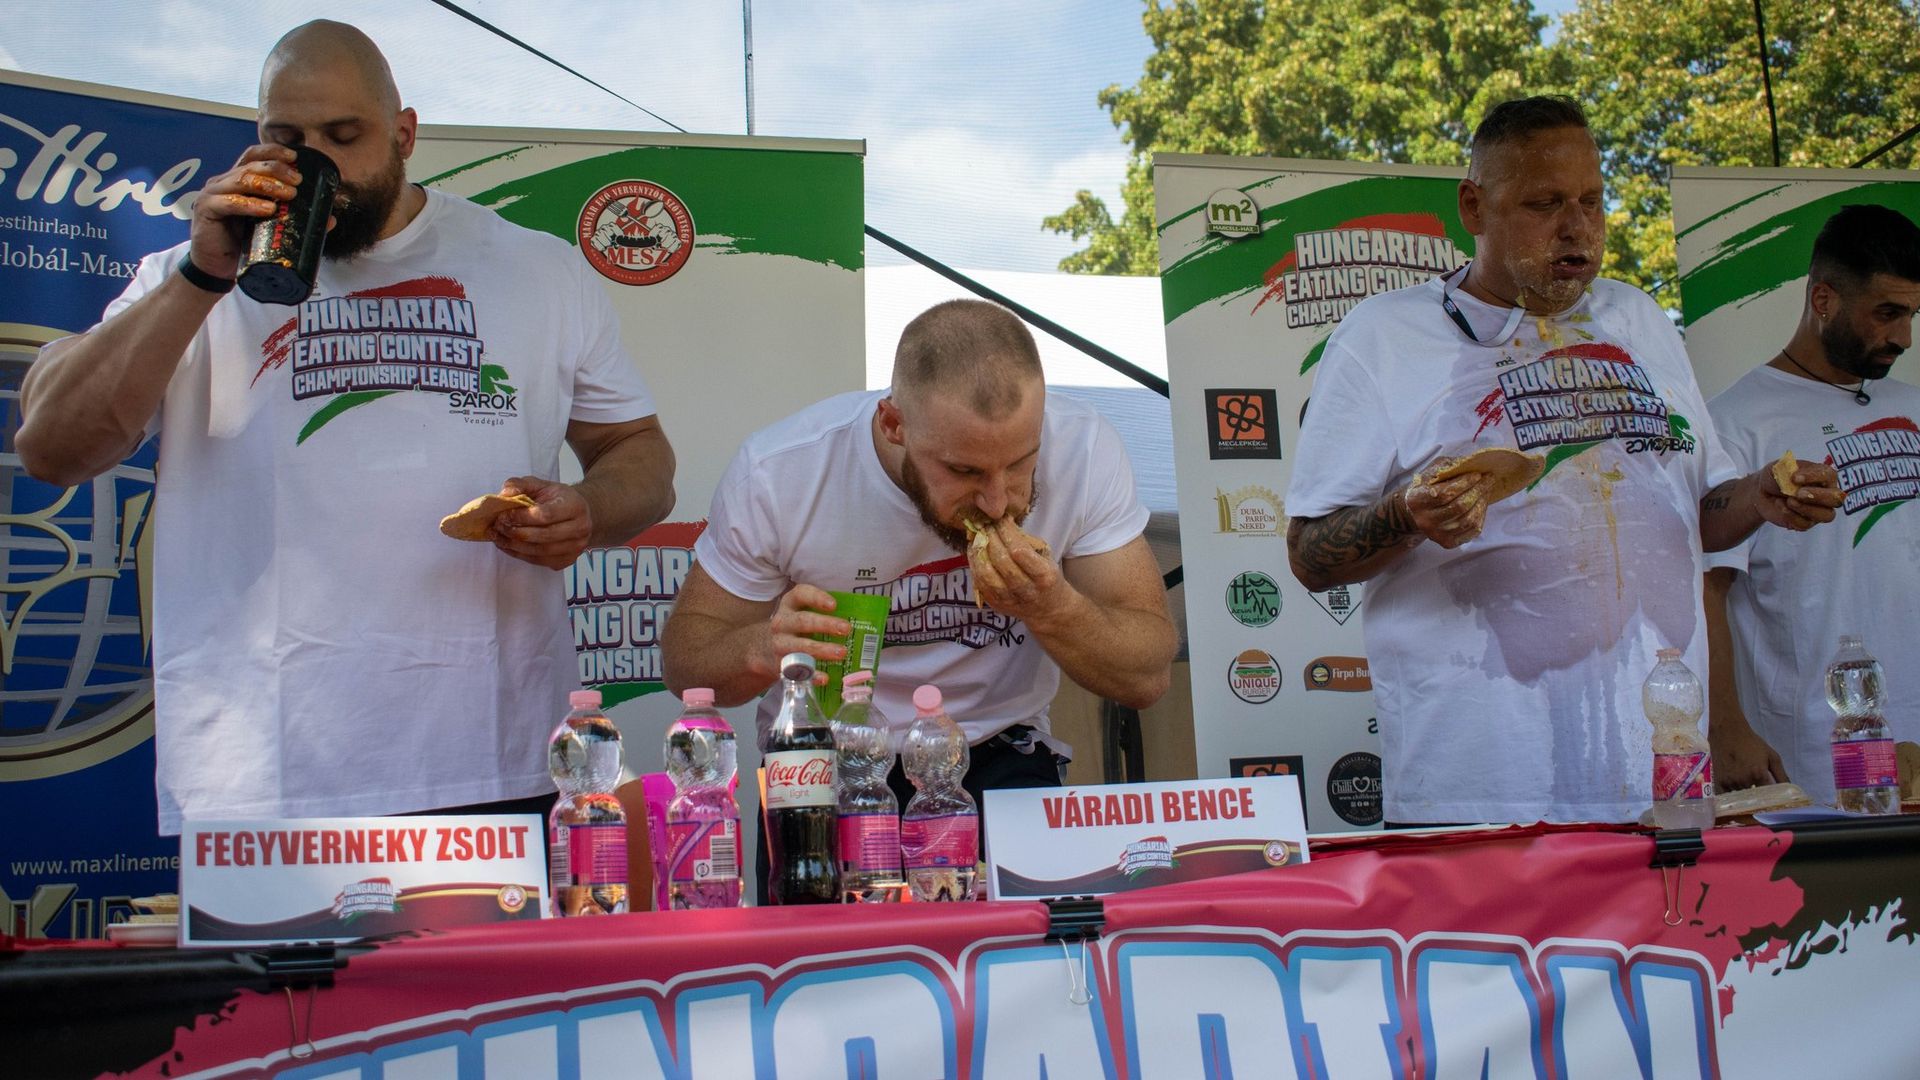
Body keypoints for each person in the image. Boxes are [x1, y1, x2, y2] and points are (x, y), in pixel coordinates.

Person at [14, 21, 676, 834]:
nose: (314, 161)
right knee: (287, 973)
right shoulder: (186, 277)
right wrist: (202, 274)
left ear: (404, 134)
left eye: (343, 135)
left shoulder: (535, 267)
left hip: (488, 757)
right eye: (287, 138)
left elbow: (637, 455)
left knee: (487, 969)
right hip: (259, 772)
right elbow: (51, 448)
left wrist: (589, 510)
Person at [1282, 95, 1842, 826]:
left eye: (1591, 201)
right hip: (1481, 790)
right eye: (1545, 203)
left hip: (1658, 777)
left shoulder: (1638, 318)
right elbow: (1310, 554)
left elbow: (1699, 514)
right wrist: (1405, 515)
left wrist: (1759, 500)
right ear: (1474, 207)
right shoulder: (1386, 335)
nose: (1576, 227)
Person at [661, 298, 1175, 831]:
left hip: (1002, 750)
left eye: (1022, 462)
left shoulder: (1085, 448)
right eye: (963, 469)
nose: (999, 502)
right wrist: (760, 649)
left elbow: (1146, 676)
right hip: (824, 760)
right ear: (893, 424)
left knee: (1026, 915)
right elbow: (686, 663)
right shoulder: (781, 473)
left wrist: (1053, 609)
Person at [1704, 204, 1920, 803]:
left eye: (1912, 315)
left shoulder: (1914, 406)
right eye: (1887, 314)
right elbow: (1707, 585)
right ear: (1822, 300)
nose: (1902, 337)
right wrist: (1725, 728)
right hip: (1813, 748)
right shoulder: (1733, 421)